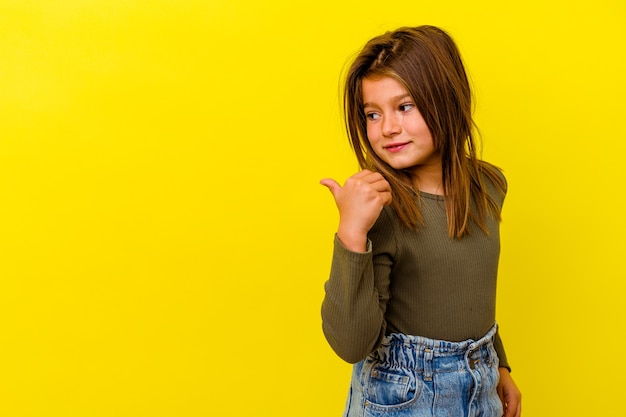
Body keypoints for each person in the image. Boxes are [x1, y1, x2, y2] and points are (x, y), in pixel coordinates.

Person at [320, 26, 522, 417]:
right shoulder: (384, 211)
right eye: (372, 114)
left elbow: (469, 290)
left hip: (481, 389)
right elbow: (351, 343)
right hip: (403, 399)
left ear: (446, 98)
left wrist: (496, 362)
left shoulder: (489, 184)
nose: (387, 128)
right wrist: (352, 233)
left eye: (405, 106)